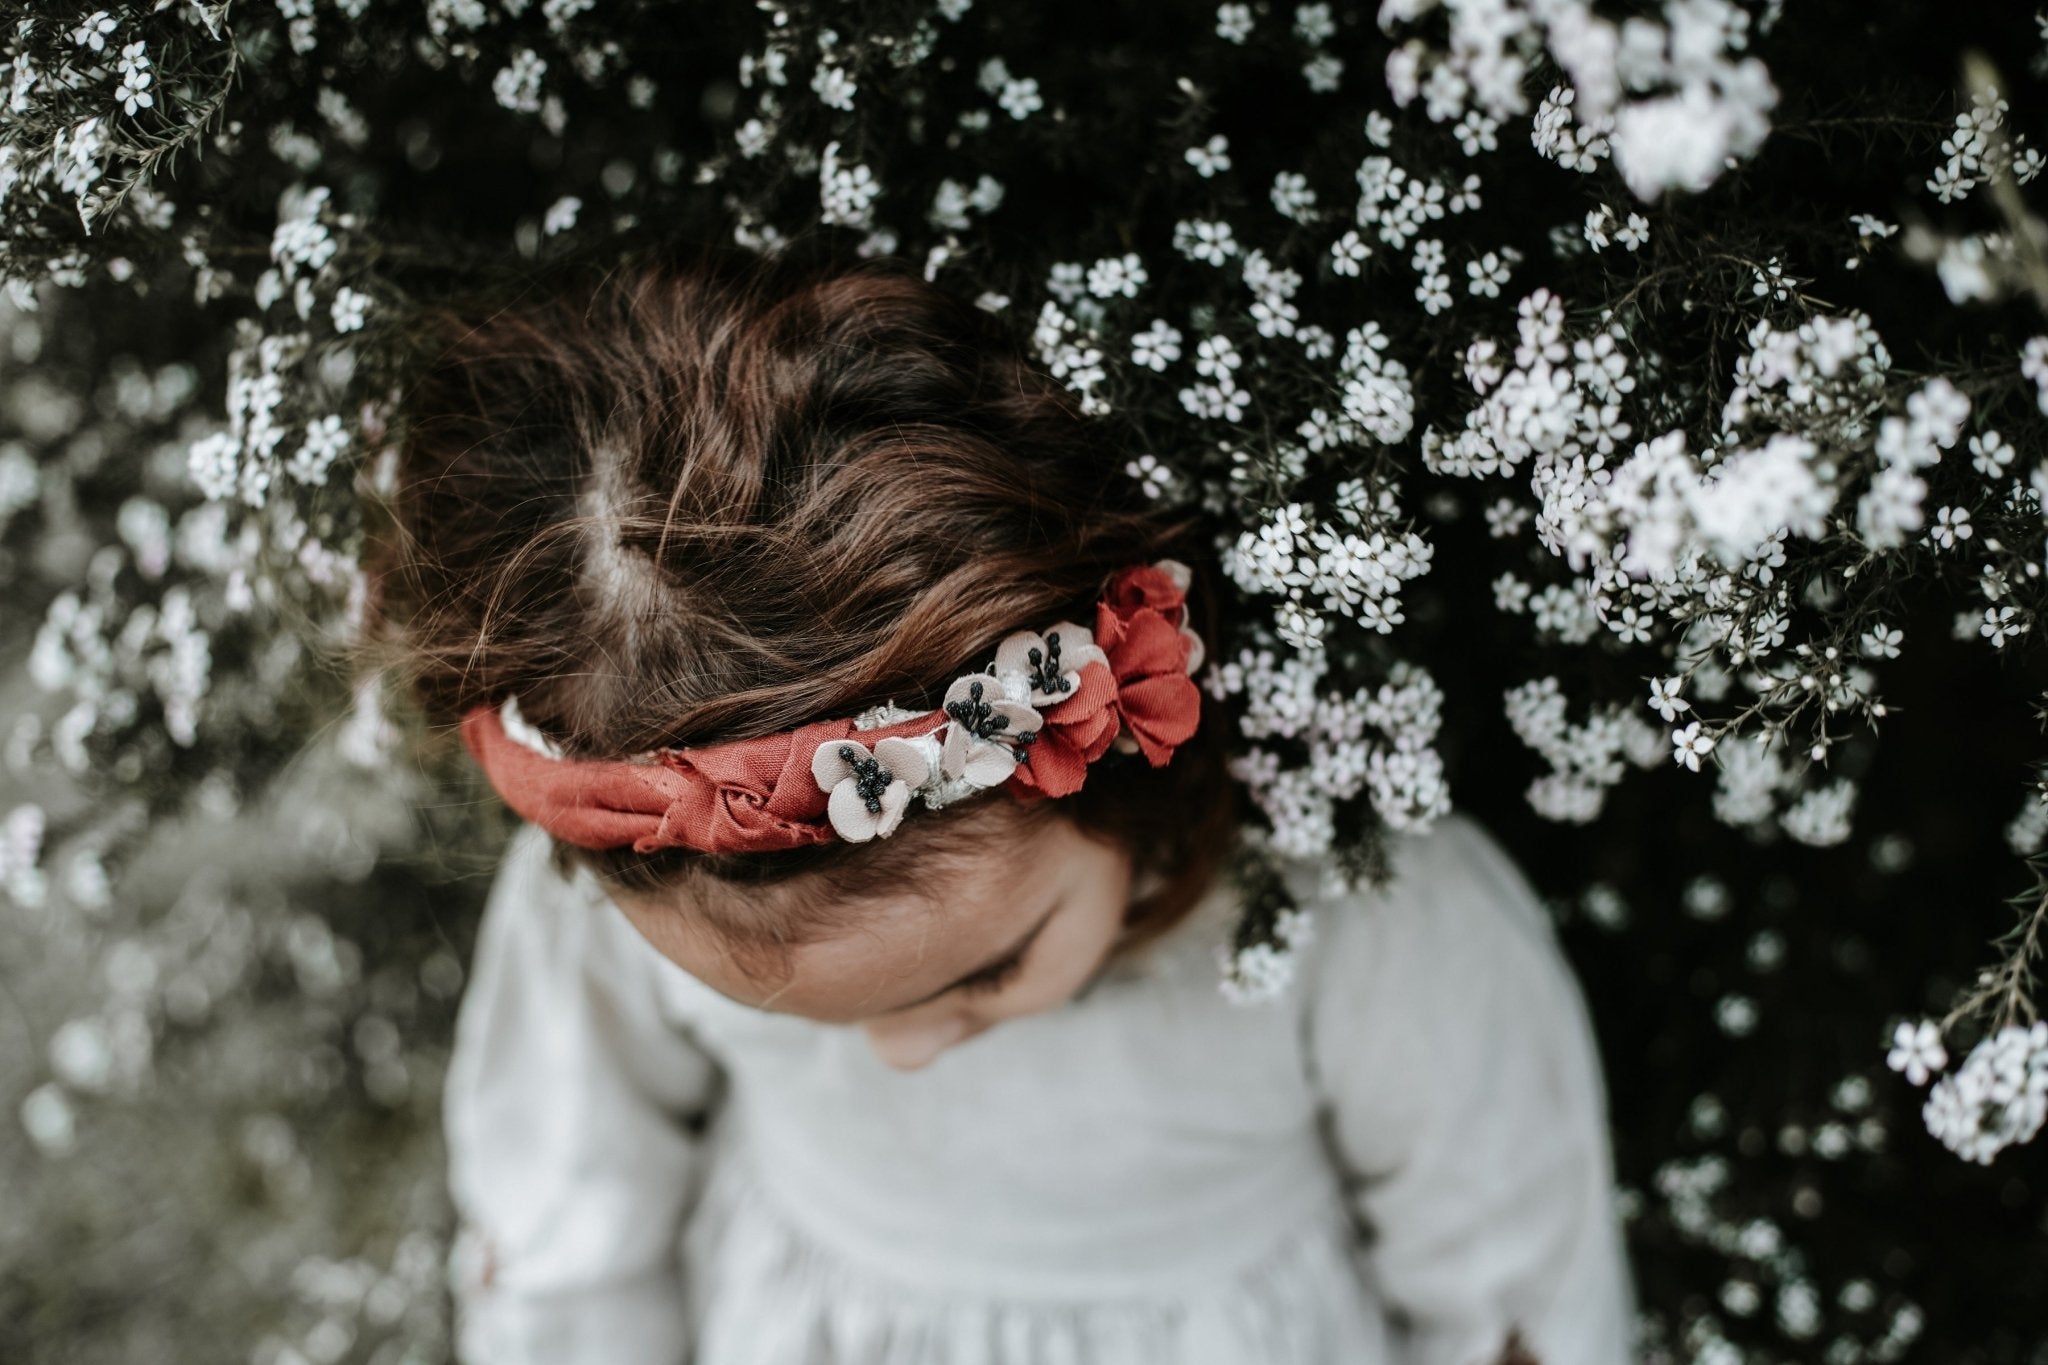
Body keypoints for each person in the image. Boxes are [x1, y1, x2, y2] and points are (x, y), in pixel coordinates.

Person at [378, 245, 1636, 1364]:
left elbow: (1510, 1286)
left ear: (1122, 751)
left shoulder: (1367, 920)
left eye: (982, 972)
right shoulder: (640, 872)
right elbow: (567, 1230)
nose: (904, 1051)